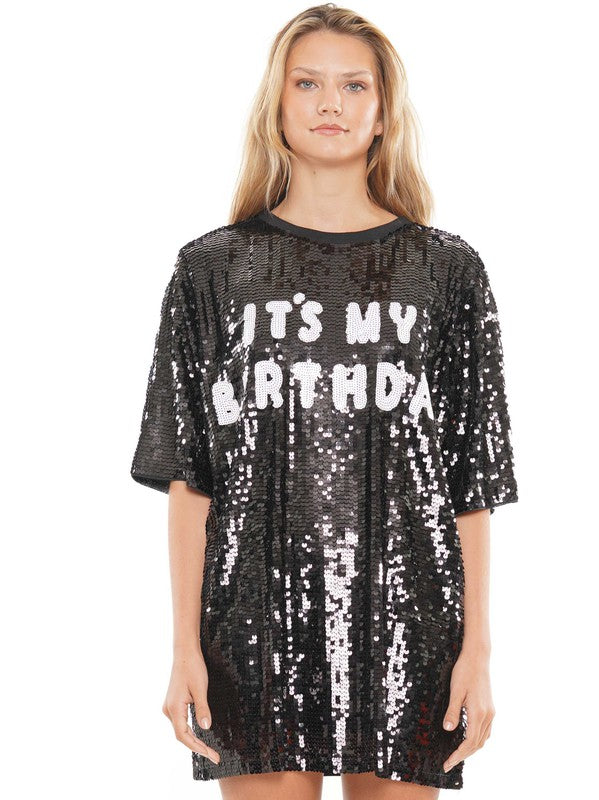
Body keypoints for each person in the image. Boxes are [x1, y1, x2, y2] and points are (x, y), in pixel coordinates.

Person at [130, 4, 519, 799]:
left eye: (353, 85)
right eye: (306, 83)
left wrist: (476, 652)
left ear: (383, 110)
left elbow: (470, 482)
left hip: (411, 625)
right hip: (253, 625)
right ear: (276, 104)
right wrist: (183, 648)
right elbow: (190, 478)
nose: (330, 103)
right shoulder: (212, 271)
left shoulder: (446, 271)